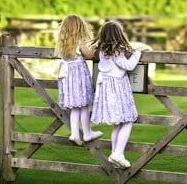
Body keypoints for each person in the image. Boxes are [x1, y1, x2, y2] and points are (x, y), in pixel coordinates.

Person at [91, 20, 142, 169]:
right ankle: (118, 153)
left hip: (107, 88)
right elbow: (129, 65)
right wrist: (137, 53)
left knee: (118, 124)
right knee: (128, 120)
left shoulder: (102, 51)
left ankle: (115, 155)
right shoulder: (117, 51)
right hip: (118, 88)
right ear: (119, 34)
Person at [55, 15, 103, 146]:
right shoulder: (80, 40)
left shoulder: (63, 42)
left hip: (67, 75)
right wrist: (94, 52)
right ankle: (87, 133)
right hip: (78, 75)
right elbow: (88, 55)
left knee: (76, 107)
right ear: (79, 27)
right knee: (84, 104)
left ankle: (75, 133)